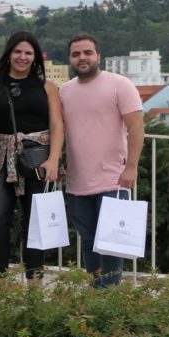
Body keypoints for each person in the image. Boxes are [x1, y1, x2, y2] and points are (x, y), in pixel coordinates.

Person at [58, 34, 145, 288]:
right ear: (70, 59)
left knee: (111, 243)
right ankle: (98, 293)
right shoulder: (65, 90)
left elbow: (137, 128)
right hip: (76, 180)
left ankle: (108, 297)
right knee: (87, 240)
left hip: (113, 178)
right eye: (76, 54)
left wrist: (132, 167)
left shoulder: (120, 84)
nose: (82, 58)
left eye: (87, 53)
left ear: (98, 56)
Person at [0, 31, 64, 282]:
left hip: (37, 158)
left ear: (35, 57)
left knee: (35, 222)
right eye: (18, 52)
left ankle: (34, 283)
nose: (22, 57)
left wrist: (54, 158)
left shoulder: (47, 87)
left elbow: (57, 124)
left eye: (28, 52)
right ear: (9, 53)